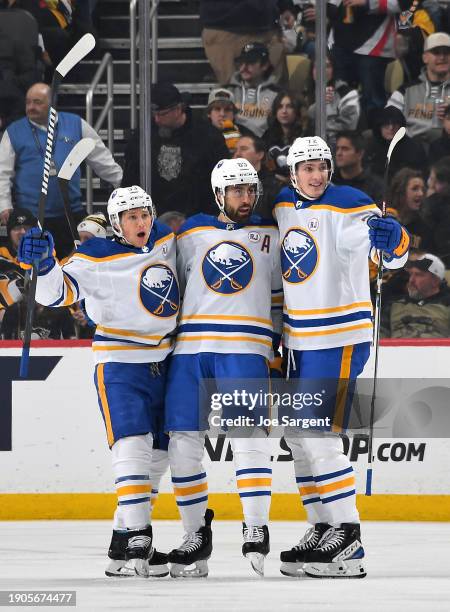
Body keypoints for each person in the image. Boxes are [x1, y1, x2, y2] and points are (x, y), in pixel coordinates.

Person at [17, 185, 180, 578]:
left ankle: (122, 546)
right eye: (131, 218)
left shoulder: (166, 240)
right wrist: (45, 264)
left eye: (144, 214)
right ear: (116, 224)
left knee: (158, 454)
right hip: (120, 363)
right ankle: (140, 533)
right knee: (132, 445)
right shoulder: (95, 256)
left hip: (166, 360)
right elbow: (59, 293)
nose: (141, 223)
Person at [273, 136, 409, 578]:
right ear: (292, 173)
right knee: (298, 439)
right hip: (297, 341)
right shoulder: (281, 205)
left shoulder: (352, 204)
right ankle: (321, 528)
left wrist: (395, 240)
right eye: (307, 168)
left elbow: (386, 257)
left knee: (319, 436)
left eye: (322, 167)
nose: (316, 175)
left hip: (338, 337)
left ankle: (347, 537)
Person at [164, 158, 283, 578]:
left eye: (251, 190)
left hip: (245, 347)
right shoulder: (192, 232)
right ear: (219, 194)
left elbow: (282, 296)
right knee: (182, 439)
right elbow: (165, 283)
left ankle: (256, 527)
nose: (246, 198)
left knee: (248, 435)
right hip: (190, 349)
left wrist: (281, 341)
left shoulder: (271, 232)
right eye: (237, 191)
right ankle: (195, 535)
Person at [0, 82, 123, 258]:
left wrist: (124, 185)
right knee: (37, 268)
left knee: (79, 261)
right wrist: (4, 205)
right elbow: (2, 172)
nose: (31, 107)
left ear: (51, 102)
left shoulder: (76, 124)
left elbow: (102, 160)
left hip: (70, 212)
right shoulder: (14, 131)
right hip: (31, 217)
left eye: (37, 102)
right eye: (28, 102)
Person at [122, 83, 229, 217]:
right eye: (154, 113)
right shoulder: (144, 134)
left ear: (178, 109)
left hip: (198, 217)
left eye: (162, 114)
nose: (157, 119)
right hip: (154, 217)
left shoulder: (207, 136)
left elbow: (222, 180)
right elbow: (130, 177)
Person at [0, 206, 74, 339]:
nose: (22, 232)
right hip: (10, 322)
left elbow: (59, 289)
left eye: (27, 228)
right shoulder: (1, 259)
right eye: (16, 228)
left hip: (45, 320)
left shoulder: (48, 259)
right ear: (9, 232)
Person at [199, 0, 285, 85]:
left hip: (267, 27)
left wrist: (285, 5)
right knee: (233, 90)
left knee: (271, 91)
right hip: (224, 27)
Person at [387, 32, 450, 144]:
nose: (442, 57)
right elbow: (386, 121)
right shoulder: (405, 91)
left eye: (447, 53)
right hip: (411, 150)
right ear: (425, 58)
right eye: (436, 52)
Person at [305, 51, 360, 151]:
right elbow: (303, 121)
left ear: (334, 70)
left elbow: (349, 125)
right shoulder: (305, 94)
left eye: (327, 66)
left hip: (338, 145)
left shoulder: (348, 94)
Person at [387, 253, 450, 338]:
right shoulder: (392, 305)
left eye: (419, 275)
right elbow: (376, 340)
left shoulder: (447, 306)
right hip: (393, 350)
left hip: (436, 350)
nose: (411, 280)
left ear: (435, 280)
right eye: (411, 274)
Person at [226, 42, 280, 137]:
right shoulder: (228, 91)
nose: (243, 67)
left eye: (250, 62)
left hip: (264, 144)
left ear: (265, 65)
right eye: (241, 63)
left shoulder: (277, 94)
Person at [365, 105, 427, 181]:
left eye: (395, 124)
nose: (391, 128)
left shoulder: (414, 148)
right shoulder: (371, 146)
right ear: (379, 126)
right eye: (386, 124)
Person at [233, 134, 281, 218]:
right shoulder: (225, 185)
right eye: (235, 150)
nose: (237, 154)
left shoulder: (274, 186)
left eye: (243, 149)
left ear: (260, 155)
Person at [388, 167, 434, 251]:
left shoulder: (425, 229)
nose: (421, 193)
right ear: (400, 191)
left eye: (422, 189)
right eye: (415, 188)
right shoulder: (384, 219)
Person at [263, 90, 304, 182]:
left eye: (289, 107)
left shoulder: (305, 135)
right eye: (280, 107)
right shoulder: (268, 135)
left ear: (296, 110)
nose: (284, 111)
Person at [333, 131, 384, 205]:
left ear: (360, 154)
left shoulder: (376, 186)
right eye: (337, 148)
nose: (339, 153)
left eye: (345, 149)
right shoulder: (329, 182)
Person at [206, 88, 242, 155]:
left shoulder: (244, 135)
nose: (222, 114)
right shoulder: (199, 135)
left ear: (234, 114)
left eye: (227, 110)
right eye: (217, 109)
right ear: (209, 113)